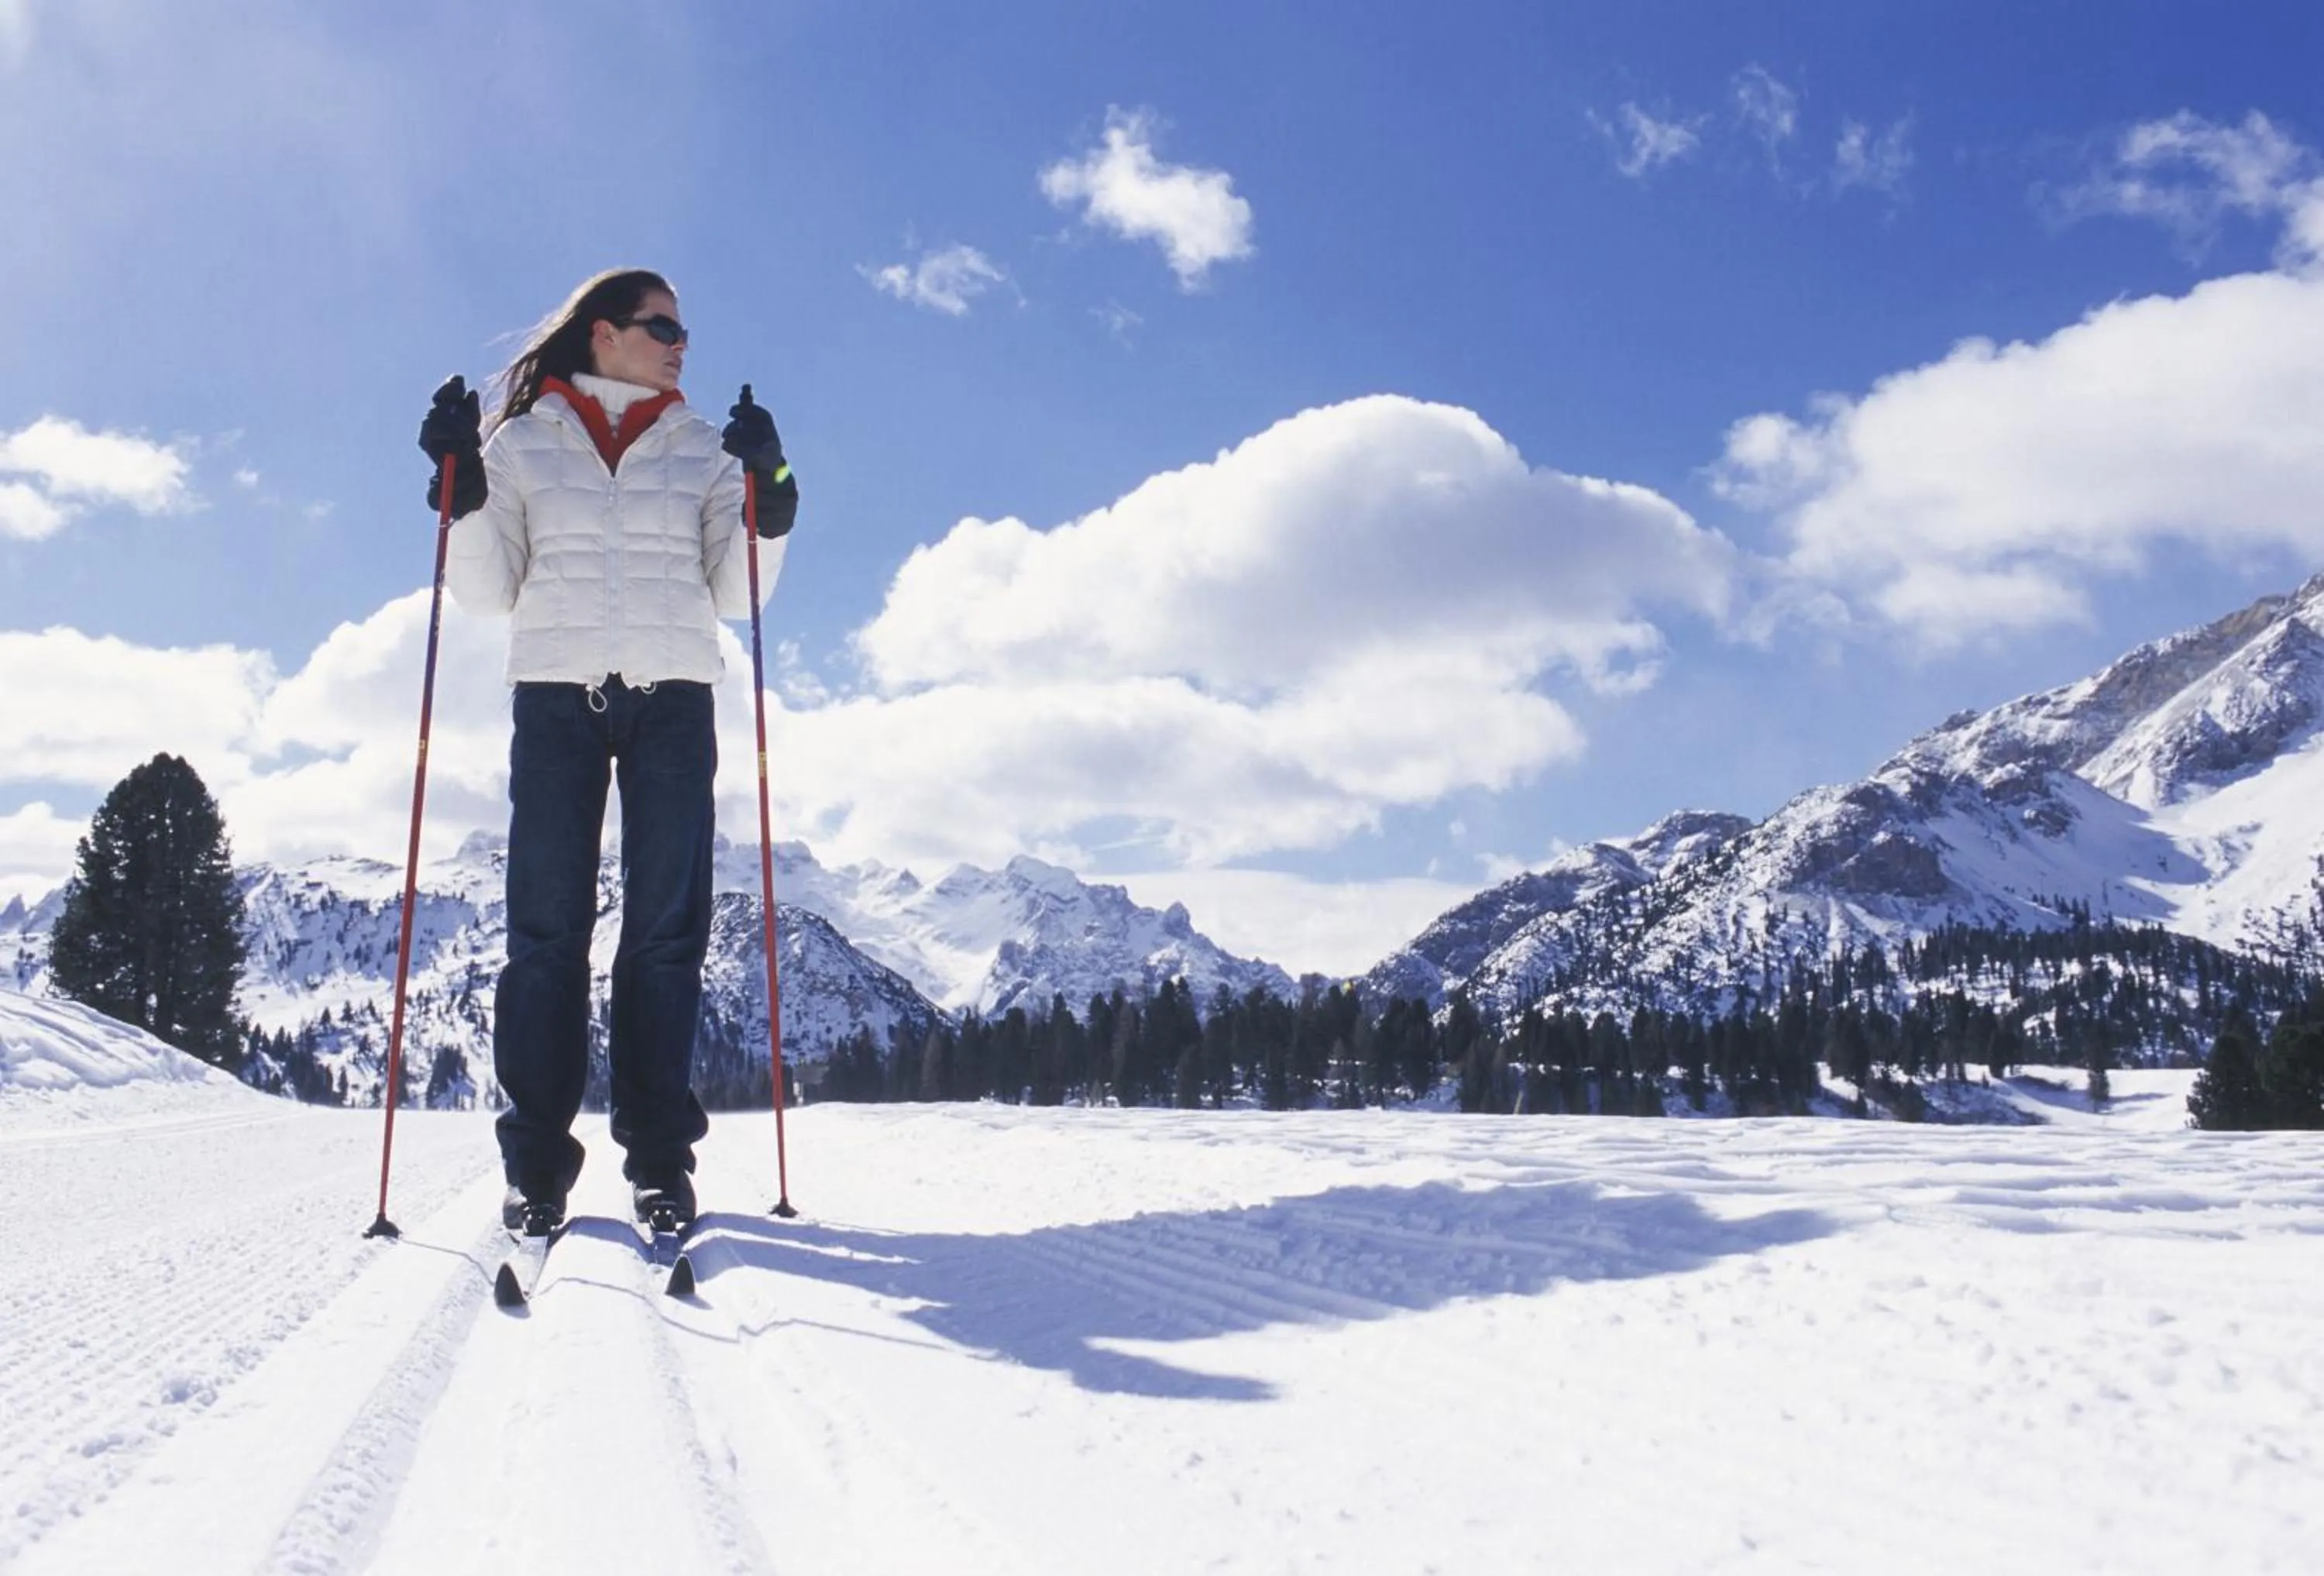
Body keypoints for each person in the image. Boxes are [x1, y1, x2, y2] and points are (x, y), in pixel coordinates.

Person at [415, 267, 799, 1237]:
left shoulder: (706, 448)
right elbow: (486, 591)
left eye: (683, 329)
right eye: (660, 325)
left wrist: (773, 500)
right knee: (545, 935)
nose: (679, 343)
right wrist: (458, 493)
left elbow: (738, 594)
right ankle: (536, 1167)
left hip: (674, 700)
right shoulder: (522, 445)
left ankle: (660, 1163)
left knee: (666, 939)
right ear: (602, 335)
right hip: (556, 699)